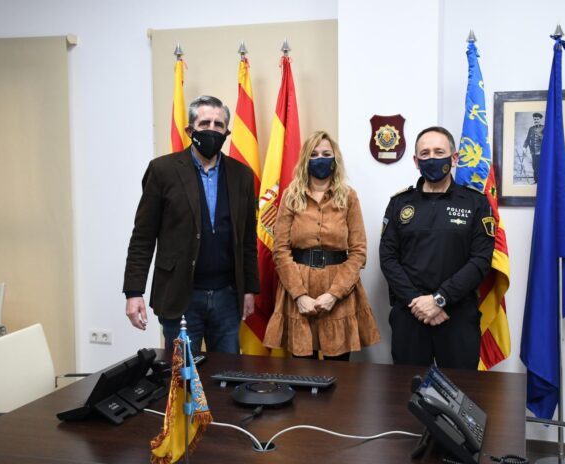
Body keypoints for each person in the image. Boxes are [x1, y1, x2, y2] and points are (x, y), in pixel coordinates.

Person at [123, 95, 259, 353]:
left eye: (218, 125)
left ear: (227, 132)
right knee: (181, 374)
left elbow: (247, 239)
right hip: (180, 296)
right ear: (189, 130)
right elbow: (142, 237)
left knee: (226, 373)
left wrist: (249, 289)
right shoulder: (162, 171)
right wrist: (133, 292)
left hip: (227, 298)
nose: (212, 129)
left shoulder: (241, 175)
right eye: (204, 123)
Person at [379, 126, 495, 369]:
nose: (431, 158)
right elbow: (388, 258)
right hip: (410, 314)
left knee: (460, 389)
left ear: (454, 158)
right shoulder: (399, 203)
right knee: (407, 388)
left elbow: (481, 260)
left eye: (439, 152)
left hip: (457, 315)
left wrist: (440, 299)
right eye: (425, 153)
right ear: (416, 161)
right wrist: (417, 302)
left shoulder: (475, 203)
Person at [263, 131, 380, 360]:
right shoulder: (290, 196)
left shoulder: (348, 196)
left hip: (339, 291)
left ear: (335, 159)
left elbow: (358, 252)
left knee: (339, 370)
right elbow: (280, 250)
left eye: (326, 154)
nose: (320, 159)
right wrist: (299, 295)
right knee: (302, 369)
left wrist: (334, 294)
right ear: (305, 159)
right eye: (314, 154)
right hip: (298, 287)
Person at [523, 112, 544, 184]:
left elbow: (548, 139)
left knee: (542, 165)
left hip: (542, 151)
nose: (536, 120)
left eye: (537, 119)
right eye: (535, 119)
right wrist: (524, 147)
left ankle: (542, 181)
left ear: (540, 119)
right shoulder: (531, 129)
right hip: (533, 151)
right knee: (534, 166)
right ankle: (536, 181)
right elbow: (527, 139)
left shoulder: (544, 127)